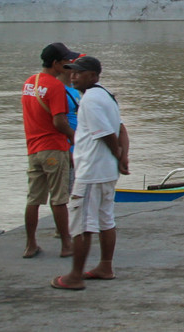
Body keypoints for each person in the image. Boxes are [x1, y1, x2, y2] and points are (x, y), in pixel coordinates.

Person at [52, 56, 129, 291]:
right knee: (106, 219)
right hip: (105, 171)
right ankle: (106, 266)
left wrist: (117, 153)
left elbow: (106, 133)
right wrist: (123, 157)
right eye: (72, 72)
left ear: (93, 76)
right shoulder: (105, 95)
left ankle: (75, 276)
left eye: (79, 72)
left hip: (92, 171)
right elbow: (121, 128)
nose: (73, 76)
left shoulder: (91, 100)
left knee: (83, 224)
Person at [22, 42, 80, 259]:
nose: (68, 64)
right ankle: (66, 245)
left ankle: (30, 245)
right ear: (56, 63)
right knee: (59, 198)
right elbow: (59, 121)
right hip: (54, 148)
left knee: (33, 199)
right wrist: (74, 140)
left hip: (33, 148)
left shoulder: (29, 83)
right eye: (65, 61)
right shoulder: (56, 87)